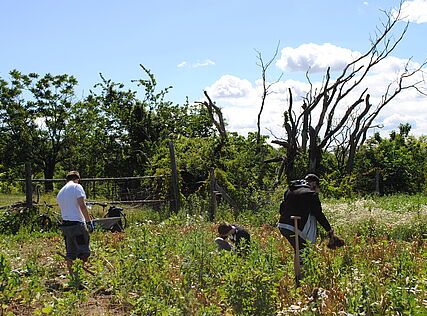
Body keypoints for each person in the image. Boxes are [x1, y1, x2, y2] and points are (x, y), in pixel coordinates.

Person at [278, 174, 342, 265]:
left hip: (283, 225)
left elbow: (282, 208)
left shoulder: (290, 190)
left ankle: (298, 274)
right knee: (304, 251)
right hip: (294, 227)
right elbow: (318, 214)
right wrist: (329, 230)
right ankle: (301, 276)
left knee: (299, 250)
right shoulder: (311, 194)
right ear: (314, 183)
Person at [57, 171, 93, 277]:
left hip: (66, 226)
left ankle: (73, 277)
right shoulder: (77, 187)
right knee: (83, 252)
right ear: (77, 179)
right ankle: (79, 276)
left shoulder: (61, 192)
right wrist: (88, 222)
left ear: (67, 180)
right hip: (77, 226)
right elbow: (82, 205)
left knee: (70, 253)